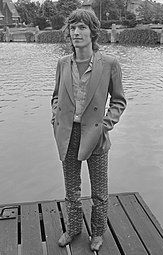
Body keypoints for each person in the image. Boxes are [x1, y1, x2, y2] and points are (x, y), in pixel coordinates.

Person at [51, 8, 127, 251]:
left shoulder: (109, 64)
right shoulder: (62, 63)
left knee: (100, 192)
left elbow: (118, 101)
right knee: (71, 190)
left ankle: (97, 233)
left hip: (96, 136)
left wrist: (105, 125)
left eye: (82, 27)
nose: (76, 32)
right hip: (67, 134)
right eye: (72, 28)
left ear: (93, 32)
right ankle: (73, 229)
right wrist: (56, 115)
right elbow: (55, 97)